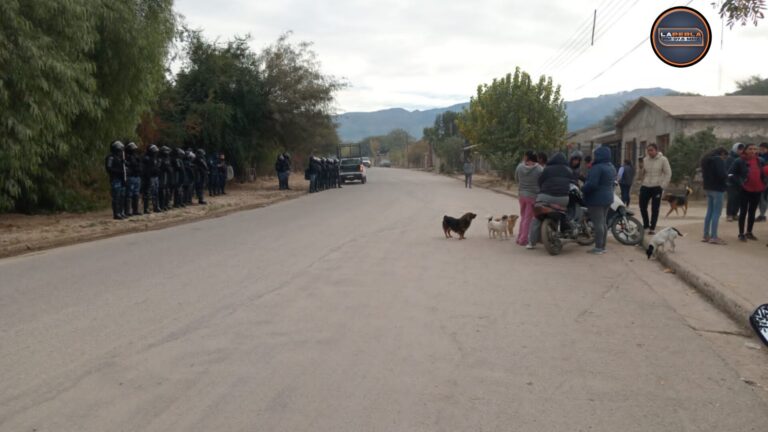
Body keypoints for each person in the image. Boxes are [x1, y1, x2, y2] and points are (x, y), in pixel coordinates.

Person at [527, 152, 573, 249]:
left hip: (545, 196)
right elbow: (572, 182)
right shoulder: (568, 170)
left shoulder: (547, 169)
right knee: (561, 214)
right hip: (562, 199)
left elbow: (540, 182)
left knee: (537, 218)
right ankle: (558, 235)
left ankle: (531, 243)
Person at [582, 146, 617, 255]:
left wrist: (583, 188)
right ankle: (602, 246)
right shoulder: (611, 167)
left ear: (599, 155)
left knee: (598, 224)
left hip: (596, 199)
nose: (594, 157)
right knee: (603, 223)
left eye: (595, 155)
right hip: (608, 198)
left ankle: (598, 247)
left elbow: (592, 184)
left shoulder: (597, 168)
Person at [729, 143, 766, 241]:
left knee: (752, 212)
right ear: (745, 150)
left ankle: (749, 232)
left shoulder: (761, 161)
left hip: (757, 190)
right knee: (743, 212)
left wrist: (764, 183)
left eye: (755, 149)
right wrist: (741, 183)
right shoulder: (739, 161)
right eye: (750, 149)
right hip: (744, 190)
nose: (753, 151)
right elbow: (731, 174)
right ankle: (741, 234)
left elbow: (764, 173)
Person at [638, 144, 671, 235]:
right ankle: (646, 225)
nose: (649, 152)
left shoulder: (663, 159)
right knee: (642, 205)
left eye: (651, 150)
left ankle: (652, 228)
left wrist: (662, 186)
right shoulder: (645, 160)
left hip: (657, 186)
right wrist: (640, 169)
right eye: (648, 150)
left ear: (656, 150)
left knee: (655, 208)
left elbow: (668, 173)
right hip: (646, 185)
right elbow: (642, 174)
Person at [700, 147, 729, 245]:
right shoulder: (718, 160)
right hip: (718, 189)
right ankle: (714, 236)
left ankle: (706, 235)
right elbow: (721, 174)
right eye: (725, 156)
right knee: (717, 213)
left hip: (708, 188)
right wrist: (727, 175)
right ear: (722, 153)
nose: (724, 159)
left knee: (709, 212)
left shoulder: (705, 159)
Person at [515, 151, 542, 246]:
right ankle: (524, 239)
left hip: (521, 195)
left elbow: (516, 179)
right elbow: (542, 182)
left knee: (523, 217)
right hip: (533, 196)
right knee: (529, 218)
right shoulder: (539, 169)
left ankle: (519, 237)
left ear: (527, 158)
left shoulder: (519, 167)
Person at [105, 140, 127, 220]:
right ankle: (116, 213)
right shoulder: (110, 157)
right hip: (115, 179)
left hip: (121, 179)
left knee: (122, 196)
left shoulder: (120, 158)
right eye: (119, 150)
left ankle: (121, 212)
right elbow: (109, 168)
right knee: (116, 197)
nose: (121, 152)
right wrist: (119, 172)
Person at [725, 142, 745, 222]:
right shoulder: (730, 158)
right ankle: (729, 214)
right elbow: (728, 170)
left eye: (742, 149)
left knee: (738, 199)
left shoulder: (742, 158)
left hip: (740, 182)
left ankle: (735, 214)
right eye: (739, 149)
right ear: (735, 149)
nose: (740, 151)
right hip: (731, 182)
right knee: (731, 198)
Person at [141, 144, 161, 214]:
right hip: (149, 178)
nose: (155, 153)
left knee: (156, 192)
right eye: (154, 152)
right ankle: (146, 208)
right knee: (148, 193)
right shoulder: (146, 158)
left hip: (155, 177)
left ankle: (156, 207)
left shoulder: (155, 158)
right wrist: (147, 177)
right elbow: (145, 169)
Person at [124, 142, 142, 217]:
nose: (134, 150)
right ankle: (128, 211)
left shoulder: (136, 157)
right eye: (133, 149)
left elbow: (139, 166)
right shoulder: (126, 157)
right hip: (131, 177)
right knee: (129, 194)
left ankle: (135, 210)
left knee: (136, 194)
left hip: (137, 176)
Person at [159, 146, 173, 211]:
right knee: (162, 191)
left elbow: (170, 167)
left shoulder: (168, 158)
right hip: (162, 176)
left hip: (167, 177)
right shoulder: (160, 159)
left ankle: (166, 204)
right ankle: (162, 205)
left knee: (167, 191)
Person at [757, 143, 768, 222]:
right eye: (760, 148)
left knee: (764, 197)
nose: (761, 150)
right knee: (761, 197)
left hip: (766, 179)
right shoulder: (758, 156)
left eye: (763, 149)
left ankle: (762, 215)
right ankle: (761, 214)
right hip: (759, 179)